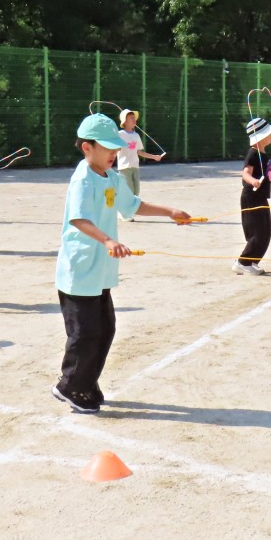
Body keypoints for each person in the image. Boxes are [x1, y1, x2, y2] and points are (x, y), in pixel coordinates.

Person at [51, 114, 191, 414]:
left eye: (116, 149)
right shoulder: (82, 179)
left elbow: (133, 205)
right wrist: (107, 240)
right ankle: (69, 385)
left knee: (106, 329)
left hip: (100, 272)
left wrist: (170, 211)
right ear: (87, 148)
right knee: (85, 333)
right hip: (79, 272)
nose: (115, 154)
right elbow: (78, 218)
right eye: (108, 149)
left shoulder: (111, 177)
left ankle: (86, 382)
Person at [235, 117, 271, 276]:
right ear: (260, 136)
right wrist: (253, 181)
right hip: (251, 197)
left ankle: (252, 260)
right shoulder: (253, 154)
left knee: (266, 230)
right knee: (257, 231)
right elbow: (246, 173)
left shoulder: (264, 154)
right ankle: (243, 262)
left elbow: (264, 175)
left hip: (261, 198)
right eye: (269, 133)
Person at [116, 109, 165, 206]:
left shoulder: (136, 135)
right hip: (124, 167)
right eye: (131, 118)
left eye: (134, 118)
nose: (134, 120)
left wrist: (154, 157)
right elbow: (115, 148)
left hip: (135, 166)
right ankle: (124, 213)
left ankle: (129, 210)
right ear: (124, 121)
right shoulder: (120, 134)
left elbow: (139, 151)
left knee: (136, 191)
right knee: (128, 191)